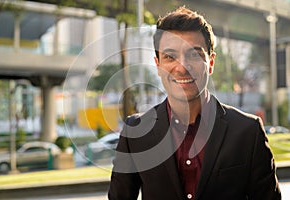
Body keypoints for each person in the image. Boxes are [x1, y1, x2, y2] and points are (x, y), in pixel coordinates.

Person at [108, 6, 281, 200]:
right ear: (158, 65)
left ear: (211, 62)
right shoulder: (135, 133)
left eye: (194, 54)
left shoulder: (247, 131)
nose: (182, 67)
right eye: (170, 56)